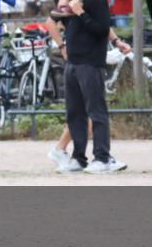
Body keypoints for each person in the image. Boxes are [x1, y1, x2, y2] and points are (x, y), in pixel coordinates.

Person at [56, 0, 126, 173]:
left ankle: (102, 157)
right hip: (73, 61)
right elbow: (69, 25)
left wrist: (81, 13)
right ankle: (78, 157)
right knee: (74, 113)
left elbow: (102, 28)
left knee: (96, 111)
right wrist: (62, 13)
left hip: (90, 61)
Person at [45, 15, 131, 168]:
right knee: (91, 111)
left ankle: (76, 155)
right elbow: (51, 22)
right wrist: (62, 46)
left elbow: (101, 24)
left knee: (80, 111)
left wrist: (116, 41)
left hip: (78, 59)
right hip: (86, 60)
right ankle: (99, 156)